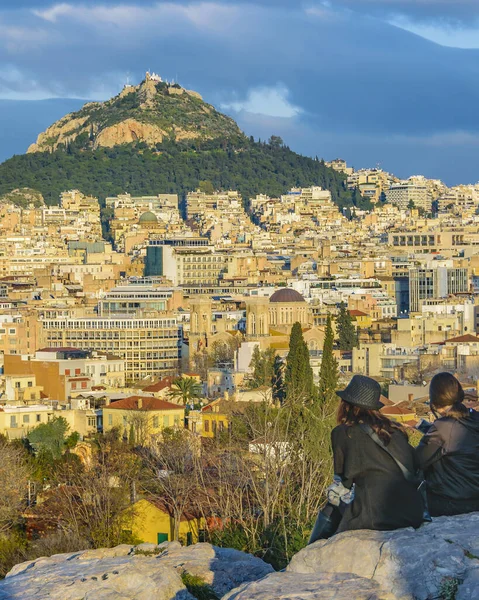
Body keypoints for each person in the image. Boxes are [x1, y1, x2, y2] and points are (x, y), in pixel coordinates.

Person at [332, 375, 423, 533]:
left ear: (346, 405)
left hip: (376, 517)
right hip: (412, 512)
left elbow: (344, 479)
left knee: (331, 509)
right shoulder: (395, 430)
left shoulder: (343, 433)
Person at [416, 372, 479, 517]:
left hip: (451, 503)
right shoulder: (475, 418)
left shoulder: (442, 428)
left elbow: (418, 460)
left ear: (435, 400)